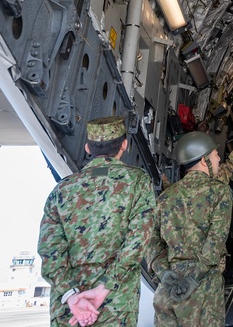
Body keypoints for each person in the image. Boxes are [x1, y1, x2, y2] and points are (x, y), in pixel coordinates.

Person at [38, 116, 156, 327]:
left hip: (69, 309)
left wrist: (71, 295)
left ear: (87, 147)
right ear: (124, 145)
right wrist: (105, 287)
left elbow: (49, 251)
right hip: (115, 303)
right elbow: (138, 240)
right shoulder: (137, 181)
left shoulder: (61, 190)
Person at [149, 132, 233, 327]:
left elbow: (152, 242)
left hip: (168, 289)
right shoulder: (219, 192)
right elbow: (216, 240)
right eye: (215, 155)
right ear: (204, 160)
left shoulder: (164, 198)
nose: (219, 159)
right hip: (203, 290)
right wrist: (193, 280)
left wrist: (164, 275)